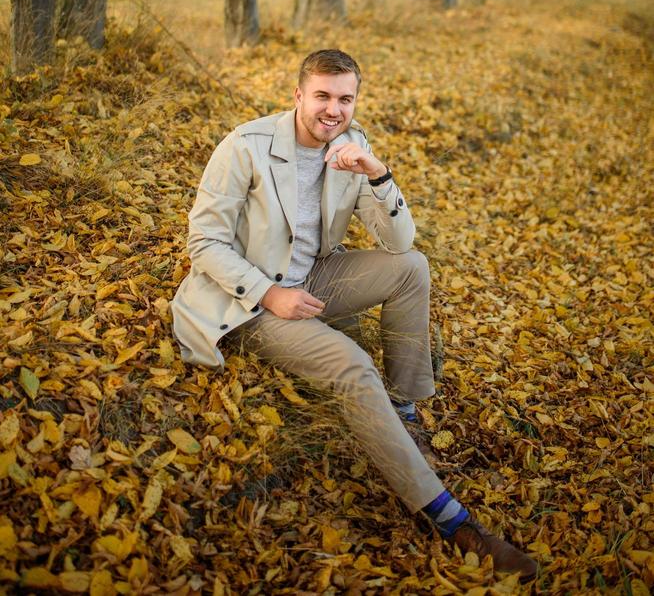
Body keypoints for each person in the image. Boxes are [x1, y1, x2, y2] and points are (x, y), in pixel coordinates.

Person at [172, 49, 537, 580]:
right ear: (297, 95)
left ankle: (404, 408)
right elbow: (203, 243)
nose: (333, 110)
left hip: (315, 278)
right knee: (351, 366)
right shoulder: (245, 146)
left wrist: (378, 172)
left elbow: (399, 242)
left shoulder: (352, 145)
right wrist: (268, 295)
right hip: (245, 302)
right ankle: (451, 519)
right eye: (321, 96)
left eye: (345, 98)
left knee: (412, 267)